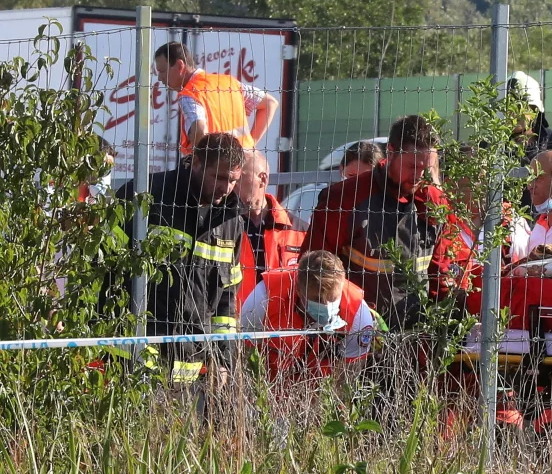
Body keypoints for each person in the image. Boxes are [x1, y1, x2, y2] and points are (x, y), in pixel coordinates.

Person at [113, 133, 248, 384]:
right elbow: (107, 268)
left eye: (233, 181)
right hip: (133, 353)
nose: (225, 188)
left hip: (191, 362)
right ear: (195, 162)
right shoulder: (147, 195)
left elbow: (226, 302)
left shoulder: (231, 222)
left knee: (180, 423)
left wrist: (222, 359)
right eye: (219, 177)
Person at [303, 114, 453, 330]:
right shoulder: (345, 198)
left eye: (426, 168)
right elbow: (315, 271)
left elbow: (440, 273)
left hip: (416, 336)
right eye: (412, 166)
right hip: (355, 332)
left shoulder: (434, 202)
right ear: (391, 152)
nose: (419, 176)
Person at [240, 249, 376, 381]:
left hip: (322, 391)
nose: (326, 306)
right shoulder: (265, 296)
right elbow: (243, 357)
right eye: (317, 299)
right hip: (270, 386)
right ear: (298, 290)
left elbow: (345, 382)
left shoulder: (358, 312)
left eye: (332, 298)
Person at [154, 41, 279, 159]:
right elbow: (270, 103)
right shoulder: (229, 83)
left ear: (180, 66)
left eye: (162, 71)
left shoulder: (189, 93)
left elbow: (200, 130)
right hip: (244, 164)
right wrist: (250, 145)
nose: (160, 78)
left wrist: (204, 164)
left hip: (218, 173)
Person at [234, 150, 304, 304]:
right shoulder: (221, 227)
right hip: (234, 323)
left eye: (238, 178)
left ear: (262, 179)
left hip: (282, 324)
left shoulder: (300, 230)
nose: (232, 185)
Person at [508, 70, 548, 157]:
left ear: (535, 109)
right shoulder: (489, 148)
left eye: (520, 106)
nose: (514, 113)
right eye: (508, 107)